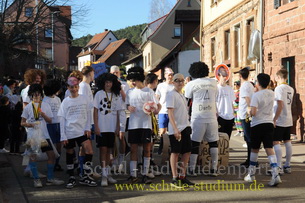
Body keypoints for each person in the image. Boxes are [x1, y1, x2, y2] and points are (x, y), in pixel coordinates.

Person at [20, 84, 64, 188]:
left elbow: (50, 120)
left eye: (38, 95)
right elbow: (22, 122)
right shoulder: (28, 107)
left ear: (41, 95)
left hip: (44, 135)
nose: (36, 97)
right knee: (33, 157)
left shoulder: (45, 105)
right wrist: (30, 124)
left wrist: (43, 115)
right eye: (34, 95)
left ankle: (50, 178)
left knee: (51, 155)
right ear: (31, 96)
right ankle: (36, 179)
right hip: (32, 136)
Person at [58, 76, 97, 189]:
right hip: (69, 131)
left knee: (89, 151)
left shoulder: (84, 98)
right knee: (70, 153)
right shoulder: (65, 101)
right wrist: (63, 135)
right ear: (68, 87)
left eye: (75, 87)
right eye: (71, 87)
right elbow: (62, 119)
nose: (74, 89)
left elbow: (89, 113)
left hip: (82, 131)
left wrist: (88, 127)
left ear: (78, 87)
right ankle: (71, 177)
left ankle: (86, 175)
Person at [244, 73, 281, 186]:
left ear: (258, 83)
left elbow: (254, 112)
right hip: (269, 122)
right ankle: (275, 173)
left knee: (255, 148)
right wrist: (274, 119)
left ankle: (251, 173)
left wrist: (249, 112)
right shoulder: (272, 93)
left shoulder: (256, 95)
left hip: (257, 124)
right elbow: (277, 106)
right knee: (269, 148)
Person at [126, 67, 160, 184]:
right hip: (133, 125)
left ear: (140, 79)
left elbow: (157, 107)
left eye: (134, 80)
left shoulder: (148, 92)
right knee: (134, 149)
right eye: (131, 80)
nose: (133, 82)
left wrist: (153, 109)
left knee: (146, 149)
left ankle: (145, 174)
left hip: (146, 124)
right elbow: (125, 106)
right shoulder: (129, 92)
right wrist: (128, 107)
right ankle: (133, 174)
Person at [185, 62, 219, 177]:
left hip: (198, 117)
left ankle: (192, 169)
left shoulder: (191, 84)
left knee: (195, 142)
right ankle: (214, 169)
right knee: (213, 142)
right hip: (211, 116)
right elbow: (216, 96)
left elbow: (187, 100)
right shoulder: (214, 82)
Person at [94, 73, 122, 186]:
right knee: (103, 150)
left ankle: (108, 173)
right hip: (102, 126)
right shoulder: (99, 94)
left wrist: (118, 126)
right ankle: (104, 176)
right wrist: (96, 126)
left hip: (112, 127)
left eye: (110, 82)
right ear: (103, 83)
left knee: (110, 152)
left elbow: (119, 112)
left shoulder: (116, 95)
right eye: (106, 82)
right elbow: (95, 111)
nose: (108, 84)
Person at [166, 73, 194, 187]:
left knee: (187, 151)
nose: (180, 82)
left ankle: (182, 176)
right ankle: (174, 177)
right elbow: (170, 112)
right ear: (173, 82)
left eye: (182, 80)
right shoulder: (171, 94)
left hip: (185, 126)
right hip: (176, 128)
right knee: (175, 152)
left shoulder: (182, 95)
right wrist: (175, 129)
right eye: (177, 80)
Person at [273, 69, 294, 174]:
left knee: (276, 142)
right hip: (288, 117)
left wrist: (274, 119)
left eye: (275, 77)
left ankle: (279, 166)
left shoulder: (279, 88)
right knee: (287, 141)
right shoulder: (291, 88)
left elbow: (280, 105)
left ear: (278, 77)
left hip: (280, 119)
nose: (275, 79)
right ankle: (288, 165)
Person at [110, 65, 129, 173]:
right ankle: (114, 161)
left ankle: (122, 160)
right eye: (113, 73)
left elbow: (126, 99)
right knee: (112, 138)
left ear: (119, 74)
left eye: (116, 73)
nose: (115, 74)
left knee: (121, 136)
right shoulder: (107, 85)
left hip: (121, 112)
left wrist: (120, 88)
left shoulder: (124, 85)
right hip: (112, 113)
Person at [78, 66, 95, 178]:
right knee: (85, 147)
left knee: (84, 148)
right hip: (86, 122)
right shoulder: (83, 86)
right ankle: (84, 170)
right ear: (89, 73)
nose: (94, 75)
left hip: (89, 120)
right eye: (93, 73)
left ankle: (83, 170)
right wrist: (86, 125)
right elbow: (83, 105)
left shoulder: (86, 86)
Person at [43, 79, 63, 171]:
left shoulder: (58, 99)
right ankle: (51, 162)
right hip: (49, 125)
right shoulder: (45, 100)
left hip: (58, 124)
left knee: (59, 144)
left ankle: (57, 163)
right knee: (51, 146)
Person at [238, 67, 254, 167]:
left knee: (248, 138)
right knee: (248, 137)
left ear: (240, 76)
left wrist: (249, 108)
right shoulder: (250, 85)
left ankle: (251, 160)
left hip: (245, 114)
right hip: (247, 113)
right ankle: (251, 159)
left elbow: (247, 98)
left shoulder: (244, 86)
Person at [155, 67, 174, 154]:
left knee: (172, 130)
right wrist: (155, 107)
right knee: (163, 131)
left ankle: (170, 147)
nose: (170, 77)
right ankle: (161, 146)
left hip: (172, 111)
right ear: (165, 75)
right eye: (169, 75)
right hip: (163, 111)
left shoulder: (174, 85)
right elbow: (156, 97)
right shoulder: (161, 86)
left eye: (172, 75)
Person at [216, 71, 235, 139]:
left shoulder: (230, 89)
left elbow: (232, 102)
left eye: (226, 75)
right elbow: (214, 102)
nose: (225, 77)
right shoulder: (216, 88)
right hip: (220, 115)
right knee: (220, 137)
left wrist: (233, 114)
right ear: (219, 76)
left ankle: (226, 149)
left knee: (227, 137)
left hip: (230, 116)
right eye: (223, 75)